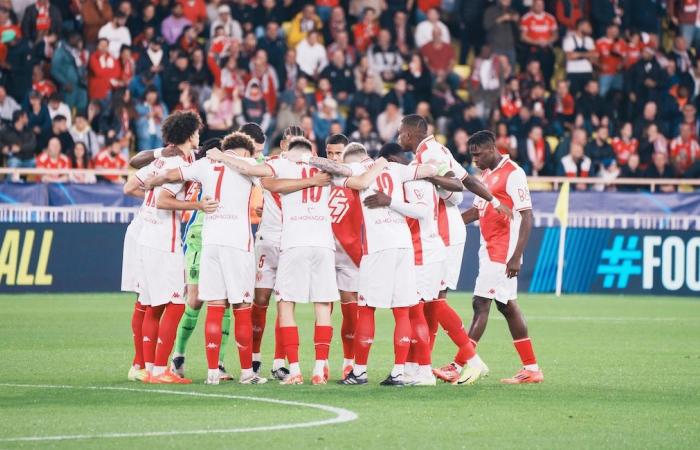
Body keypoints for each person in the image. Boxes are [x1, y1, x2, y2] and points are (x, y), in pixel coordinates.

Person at [300, 142, 439, 386]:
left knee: (366, 308)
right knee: (403, 310)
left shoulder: (353, 171)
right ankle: (398, 372)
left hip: (378, 247)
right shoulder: (395, 169)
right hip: (403, 245)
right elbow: (430, 169)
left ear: (349, 159)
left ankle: (360, 371)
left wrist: (309, 158)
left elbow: (344, 174)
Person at [210, 136, 344, 385]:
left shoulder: (282, 164)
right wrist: (315, 167)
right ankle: (318, 369)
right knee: (323, 307)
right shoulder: (325, 167)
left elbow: (250, 169)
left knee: (285, 305)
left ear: (289, 152)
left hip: (293, 243)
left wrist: (221, 156)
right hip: (324, 244)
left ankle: (294, 370)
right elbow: (346, 171)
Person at [143, 132, 267, 386]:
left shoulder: (204, 164)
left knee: (215, 306)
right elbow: (260, 172)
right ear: (245, 151)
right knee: (242, 307)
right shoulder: (248, 165)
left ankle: (212, 373)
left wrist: (151, 180)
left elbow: (172, 175)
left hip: (210, 243)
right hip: (237, 244)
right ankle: (247, 373)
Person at [122, 111, 215, 384]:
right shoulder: (178, 164)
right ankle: (161, 369)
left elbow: (131, 185)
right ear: (189, 135)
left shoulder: (163, 159)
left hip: (147, 234)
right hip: (164, 239)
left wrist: (151, 198)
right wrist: (195, 205)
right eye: (197, 132)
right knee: (175, 304)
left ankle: (147, 366)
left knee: (150, 304)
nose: (199, 135)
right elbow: (163, 200)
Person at [461, 130, 543, 385]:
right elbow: (476, 211)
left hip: (503, 251)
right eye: (472, 156)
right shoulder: (485, 175)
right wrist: (445, 226)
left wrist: (517, 256)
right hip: (489, 248)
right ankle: (531, 368)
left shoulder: (513, 173)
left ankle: (460, 363)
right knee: (506, 306)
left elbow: (527, 215)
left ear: (491, 149)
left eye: (477, 155)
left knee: (480, 303)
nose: (474, 161)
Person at [324, 134, 363, 378]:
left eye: (338, 154)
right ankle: (322, 361)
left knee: (350, 310)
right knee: (323, 308)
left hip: (349, 252)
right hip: (325, 251)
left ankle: (349, 362)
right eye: (329, 154)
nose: (333, 158)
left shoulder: (357, 180)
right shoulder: (318, 179)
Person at [562, 19, 596, 97]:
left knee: (588, 95)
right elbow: (569, 56)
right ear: (580, 26)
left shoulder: (589, 40)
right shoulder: (569, 40)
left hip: (587, 71)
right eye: (587, 26)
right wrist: (587, 54)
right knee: (573, 95)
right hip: (573, 72)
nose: (590, 28)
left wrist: (577, 54)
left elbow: (593, 57)